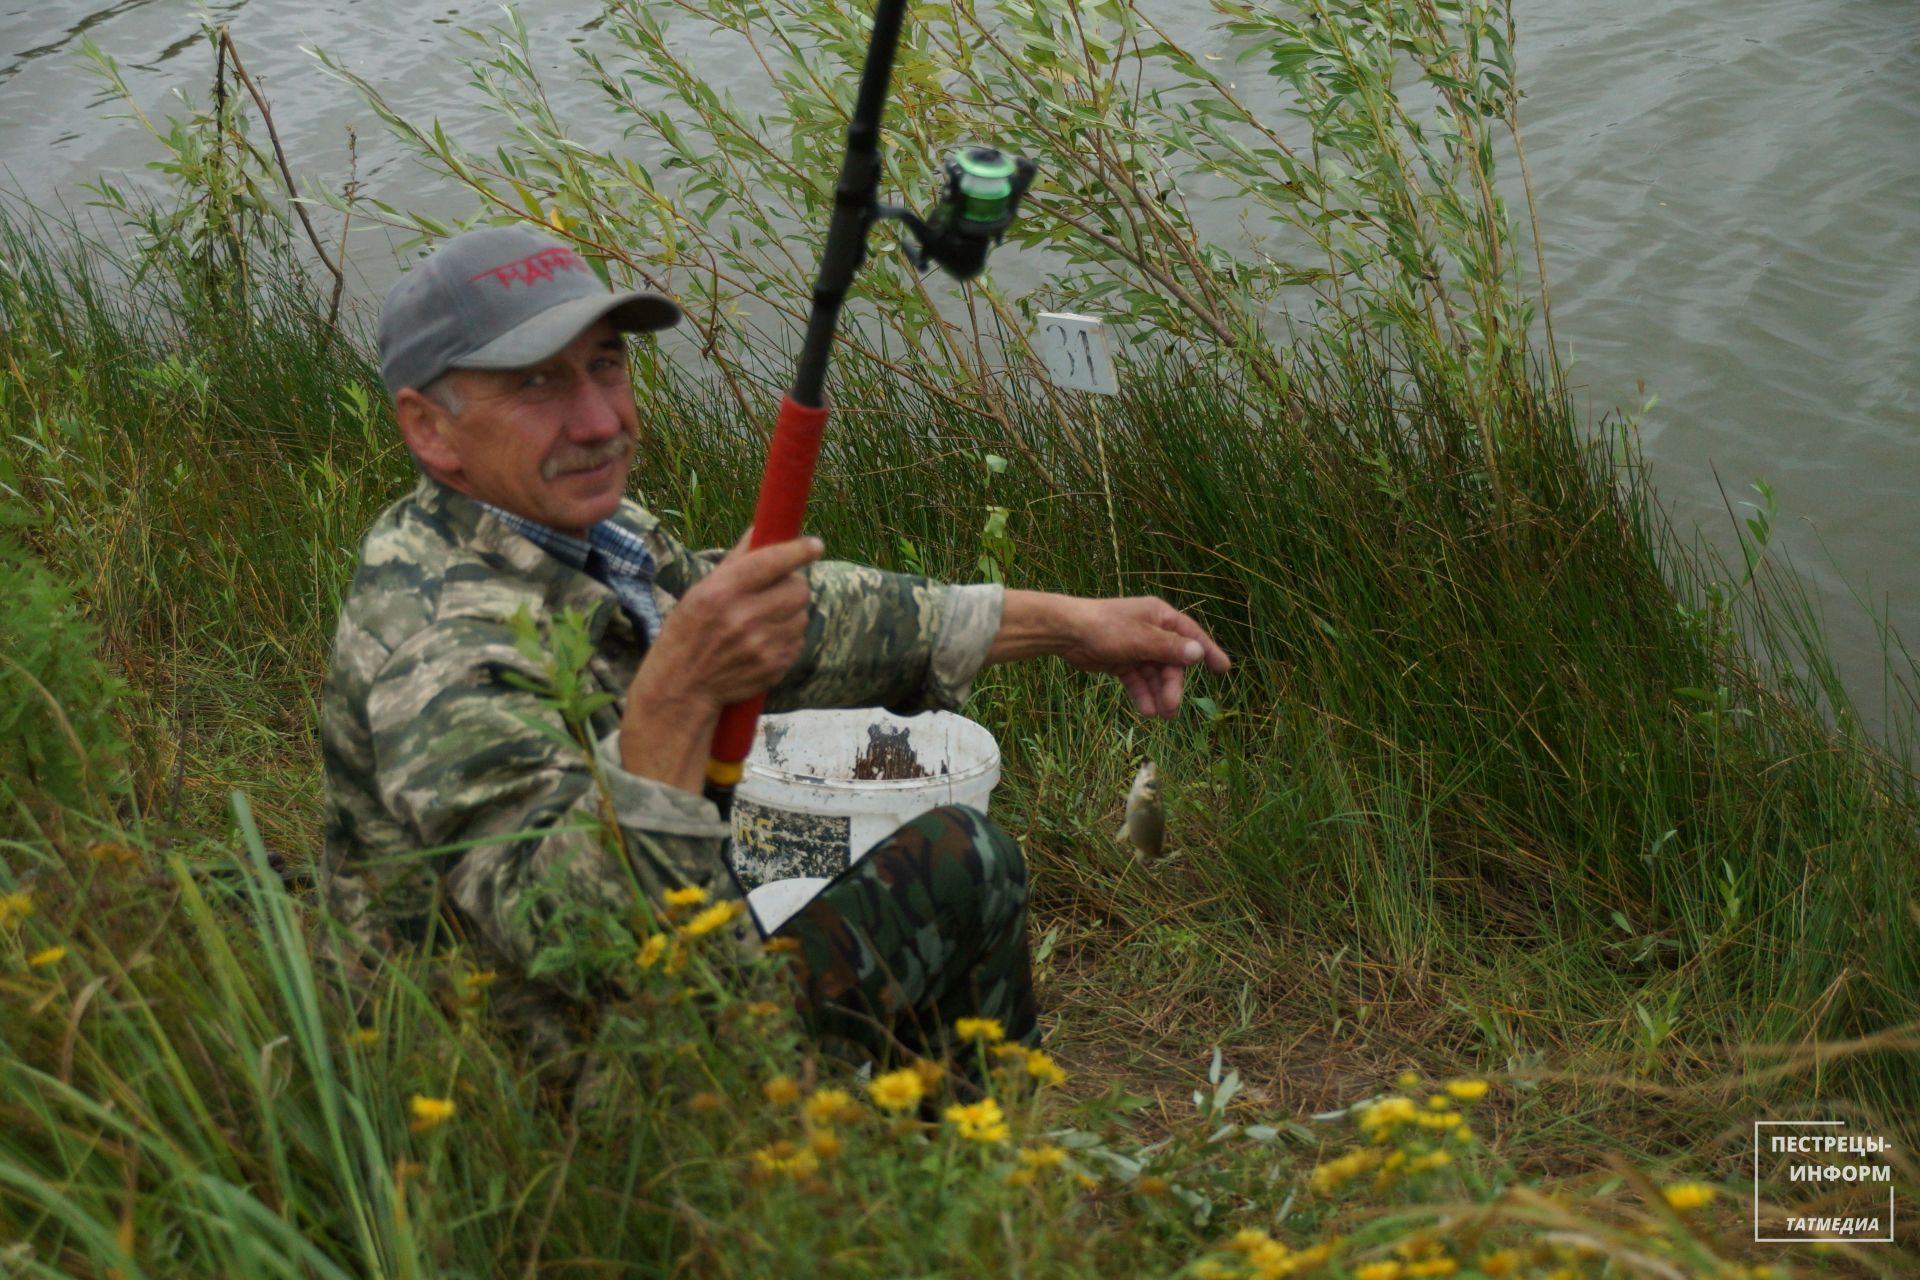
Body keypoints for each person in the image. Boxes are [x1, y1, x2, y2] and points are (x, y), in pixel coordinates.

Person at [319, 225, 1230, 1067]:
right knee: (964, 862)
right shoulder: (437, 650)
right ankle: (942, 1186)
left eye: (605, 366)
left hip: (659, 979)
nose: (599, 420)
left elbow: (795, 620)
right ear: (429, 429)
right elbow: (574, 940)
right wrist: (677, 693)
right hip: (549, 1090)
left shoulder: (569, 525)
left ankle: (948, 1174)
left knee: (905, 861)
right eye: (536, 384)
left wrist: (1067, 623)